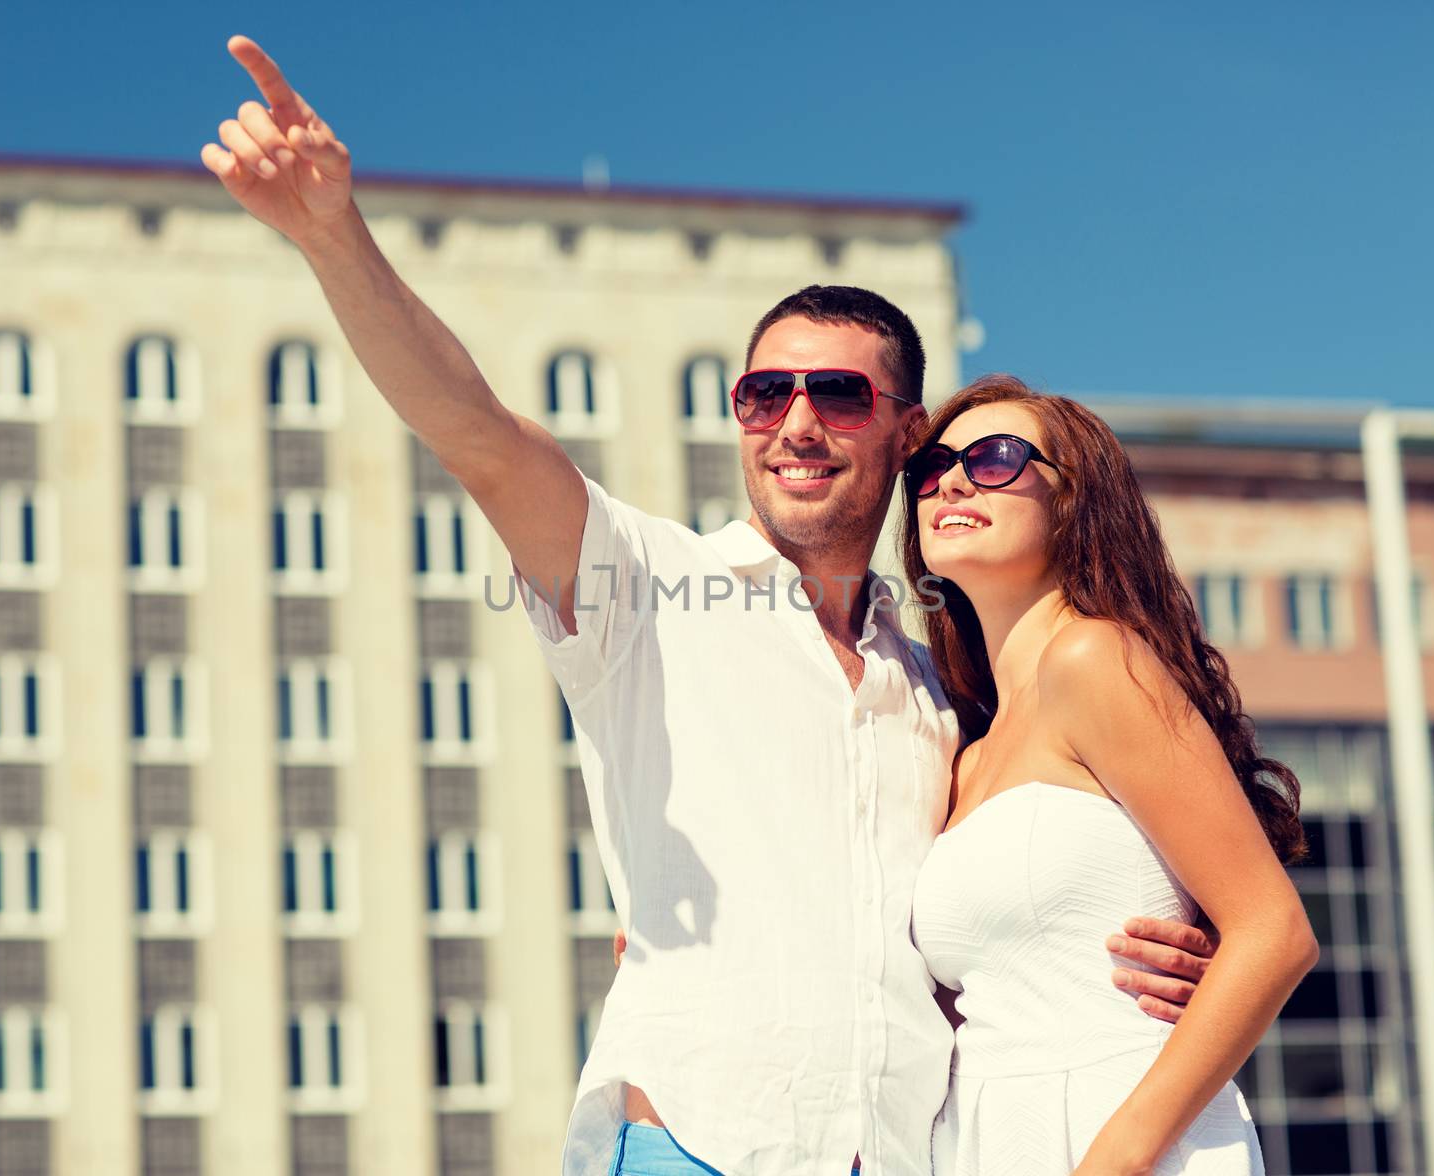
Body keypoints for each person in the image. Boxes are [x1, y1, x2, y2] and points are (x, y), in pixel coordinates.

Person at [200, 37, 1224, 1175]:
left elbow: (1025, 890)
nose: (794, 423)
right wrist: (333, 237)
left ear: (905, 430)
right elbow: (479, 435)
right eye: (761, 392)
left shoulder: (942, 687)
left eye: (836, 394)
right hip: (691, 1147)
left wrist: (1158, 949)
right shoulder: (642, 590)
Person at [900, 375, 1320, 1174]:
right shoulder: (966, 752)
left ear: (1074, 501)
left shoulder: (1097, 659)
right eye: (931, 467)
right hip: (989, 1136)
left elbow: (1274, 932)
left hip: (1122, 1132)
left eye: (994, 459)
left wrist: (1114, 1160)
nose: (950, 480)